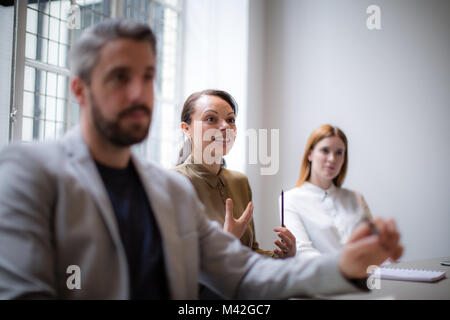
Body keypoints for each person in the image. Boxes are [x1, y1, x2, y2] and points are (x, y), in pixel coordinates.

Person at [0, 19, 403, 299]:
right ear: (80, 90)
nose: (139, 93)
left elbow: (243, 273)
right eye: (120, 77)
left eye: (148, 77)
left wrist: (344, 265)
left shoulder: (167, 190)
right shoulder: (29, 171)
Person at [174, 89, 296, 260]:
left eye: (230, 120)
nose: (225, 126)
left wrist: (281, 257)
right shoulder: (173, 183)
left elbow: (249, 252)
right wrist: (226, 243)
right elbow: (178, 266)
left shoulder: (240, 181)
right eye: (211, 119)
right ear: (186, 129)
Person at [283, 124, 382, 260]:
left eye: (339, 152)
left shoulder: (355, 197)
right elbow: (302, 252)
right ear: (310, 154)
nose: (332, 159)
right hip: (323, 278)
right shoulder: (290, 199)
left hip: (367, 276)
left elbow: (375, 245)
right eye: (325, 150)